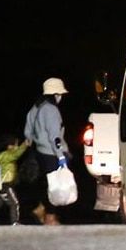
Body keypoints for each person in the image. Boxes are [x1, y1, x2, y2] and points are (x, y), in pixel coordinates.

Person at [24, 77, 72, 225]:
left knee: (47, 183)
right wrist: (61, 156)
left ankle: (41, 209)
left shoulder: (36, 108)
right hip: (52, 153)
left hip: (40, 152)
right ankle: (49, 217)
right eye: (60, 95)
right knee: (57, 185)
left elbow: (27, 132)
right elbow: (55, 136)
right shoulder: (51, 110)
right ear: (55, 94)